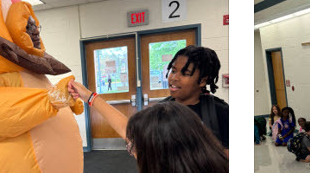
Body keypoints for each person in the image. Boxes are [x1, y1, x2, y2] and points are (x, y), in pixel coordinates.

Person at [69, 45, 228, 151]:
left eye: (185, 73)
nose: (174, 78)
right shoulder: (161, 110)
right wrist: (88, 96)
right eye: (173, 70)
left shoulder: (220, 113)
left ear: (203, 80)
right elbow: (130, 131)